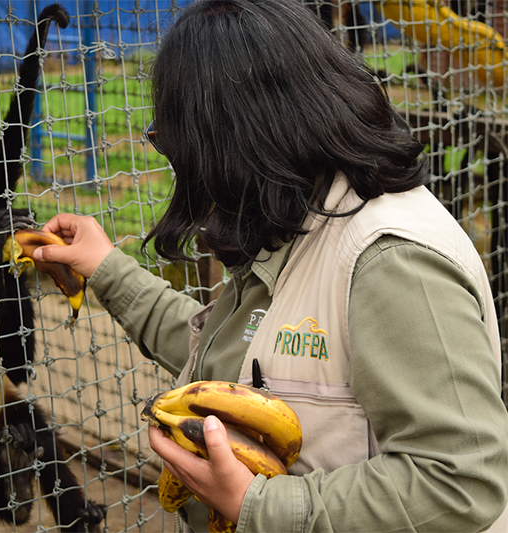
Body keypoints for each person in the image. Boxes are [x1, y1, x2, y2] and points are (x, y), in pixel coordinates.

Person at [32, 0, 508, 531]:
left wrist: (260, 508)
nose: (179, 166)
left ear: (233, 139)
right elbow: (231, 358)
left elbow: (462, 479)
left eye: (175, 144)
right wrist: (106, 268)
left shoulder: (391, 263)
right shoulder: (301, 215)